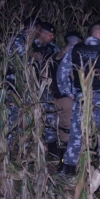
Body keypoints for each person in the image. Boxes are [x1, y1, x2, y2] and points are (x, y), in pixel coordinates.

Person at [57, 21, 100, 175]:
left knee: (76, 132)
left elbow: (62, 72)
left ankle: (69, 168)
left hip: (81, 98)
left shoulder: (75, 50)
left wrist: (68, 92)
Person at [48, 31, 84, 170]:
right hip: (68, 99)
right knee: (69, 132)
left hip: (55, 99)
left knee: (62, 131)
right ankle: (66, 164)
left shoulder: (56, 55)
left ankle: (63, 162)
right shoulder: (70, 57)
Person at [6, 15, 41, 158]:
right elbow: (17, 63)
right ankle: (8, 151)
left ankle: (22, 149)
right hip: (14, 85)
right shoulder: (18, 40)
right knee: (12, 118)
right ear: (32, 28)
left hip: (23, 86)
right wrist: (32, 57)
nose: (38, 32)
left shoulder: (29, 41)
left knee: (23, 117)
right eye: (37, 29)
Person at [31, 21, 61, 157]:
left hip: (47, 88)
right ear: (41, 33)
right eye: (49, 34)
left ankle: (52, 148)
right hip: (30, 87)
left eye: (53, 35)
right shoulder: (29, 46)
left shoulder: (53, 48)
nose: (52, 37)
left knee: (49, 116)